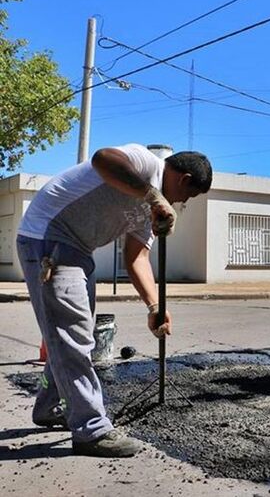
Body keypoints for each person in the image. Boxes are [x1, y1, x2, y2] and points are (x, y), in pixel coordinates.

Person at [16, 144, 212, 457]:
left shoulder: (153, 210)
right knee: (73, 336)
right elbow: (102, 159)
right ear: (184, 179)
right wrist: (153, 195)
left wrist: (154, 306)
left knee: (70, 334)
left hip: (78, 251)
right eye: (187, 196)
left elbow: (137, 258)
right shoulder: (145, 163)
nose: (182, 203)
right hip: (48, 237)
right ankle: (91, 430)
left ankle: (50, 405)